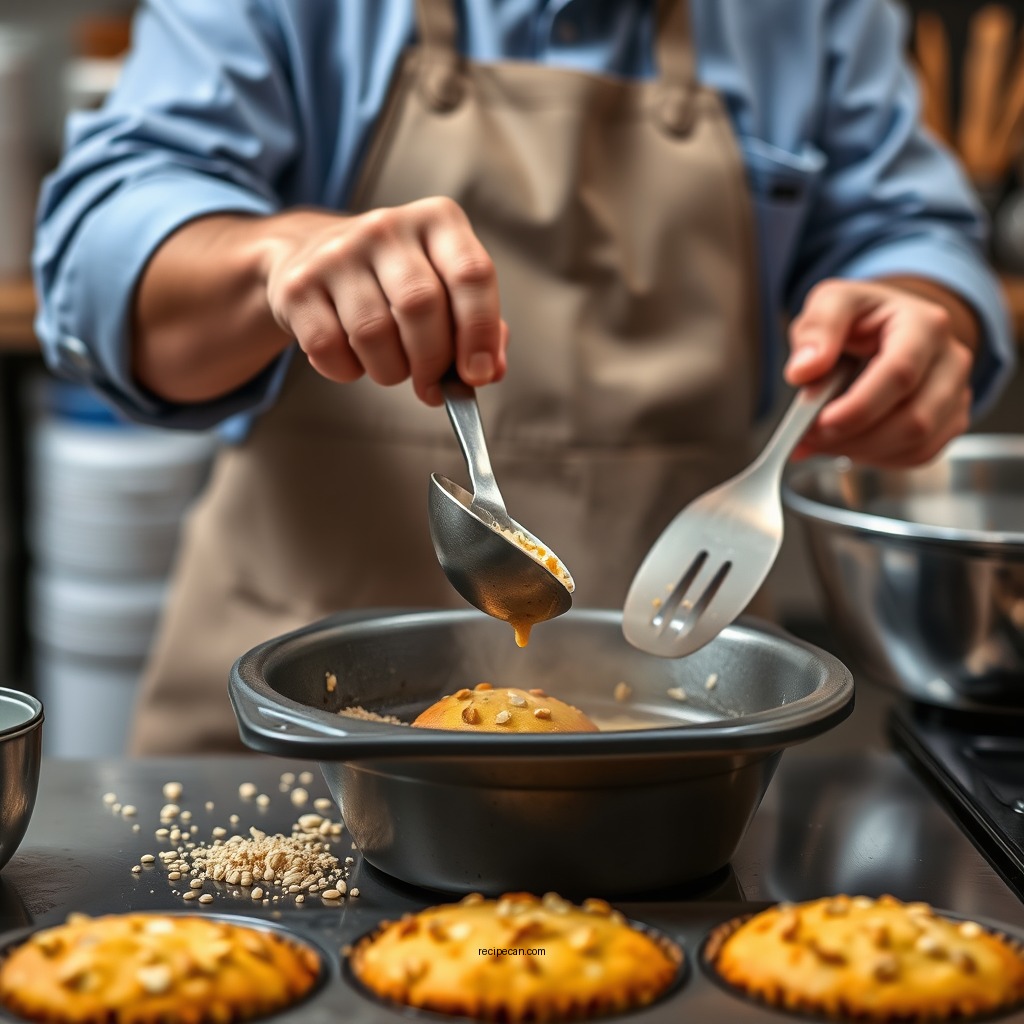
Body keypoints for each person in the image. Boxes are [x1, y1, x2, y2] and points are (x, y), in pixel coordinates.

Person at [34, 0, 1014, 754]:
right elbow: (93, 260)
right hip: (285, 734)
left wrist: (923, 309)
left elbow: (909, 230)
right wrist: (273, 258)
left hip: (681, 739)